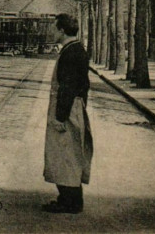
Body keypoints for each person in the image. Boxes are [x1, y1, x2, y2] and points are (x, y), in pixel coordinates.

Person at [43, 13, 93, 214]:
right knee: (68, 153)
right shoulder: (75, 49)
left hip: (67, 109)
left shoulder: (71, 53)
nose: (53, 32)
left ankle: (70, 202)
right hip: (73, 107)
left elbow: (68, 87)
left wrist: (60, 117)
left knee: (66, 155)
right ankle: (68, 198)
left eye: (55, 28)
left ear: (62, 30)